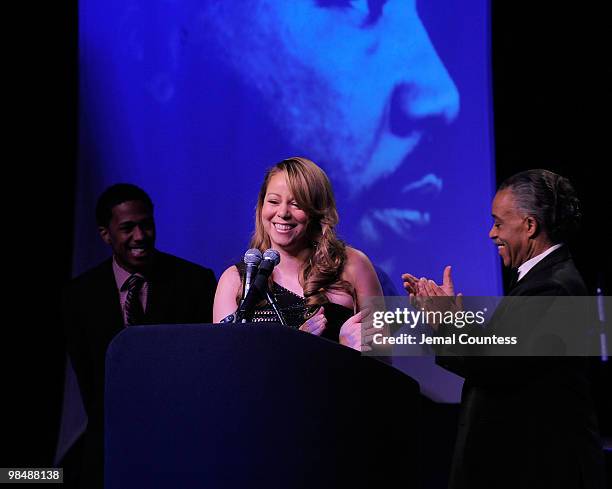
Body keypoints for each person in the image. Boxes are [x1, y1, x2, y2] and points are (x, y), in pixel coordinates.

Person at [402, 169, 605, 488]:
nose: (490, 234)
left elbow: (491, 363)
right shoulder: (542, 280)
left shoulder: (552, 287)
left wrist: (444, 321)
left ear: (529, 226)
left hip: (541, 470)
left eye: (498, 223)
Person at [62, 184, 217, 489]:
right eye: (128, 227)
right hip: (111, 445)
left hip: (180, 442)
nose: (140, 236)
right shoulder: (78, 296)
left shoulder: (195, 282)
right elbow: (89, 381)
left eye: (146, 224)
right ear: (106, 234)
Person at [213, 157, 383, 350]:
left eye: (296, 204)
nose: (283, 212)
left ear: (316, 211)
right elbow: (226, 365)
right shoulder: (235, 280)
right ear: (262, 206)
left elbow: (384, 359)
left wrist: (348, 351)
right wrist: (299, 345)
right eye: (274, 201)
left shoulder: (354, 265)